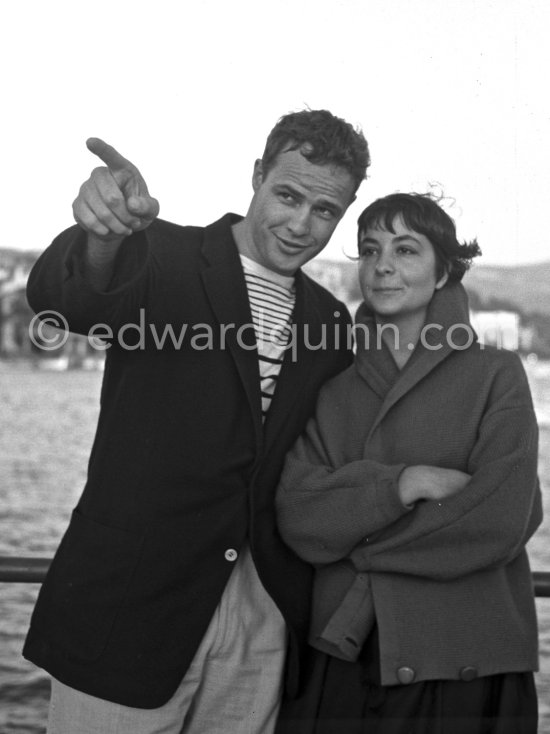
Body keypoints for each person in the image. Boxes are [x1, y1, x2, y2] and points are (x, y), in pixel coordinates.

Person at [23, 109, 371, 734]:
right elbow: (68, 299)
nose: (300, 225)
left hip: (261, 618)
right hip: (132, 607)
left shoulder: (331, 322)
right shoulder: (159, 253)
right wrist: (104, 238)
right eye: (287, 195)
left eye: (324, 212)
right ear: (258, 175)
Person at [275, 193, 542, 734]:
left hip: (464, 662)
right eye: (370, 251)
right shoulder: (334, 388)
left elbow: (501, 520)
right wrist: (400, 487)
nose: (383, 266)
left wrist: (354, 541)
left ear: (444, 271)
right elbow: (298, 517)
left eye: (405, 250)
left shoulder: (496, 373)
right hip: (348, 659)